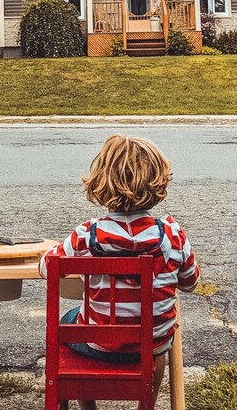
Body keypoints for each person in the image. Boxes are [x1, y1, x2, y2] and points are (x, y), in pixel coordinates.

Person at [39, 134, 200, 410]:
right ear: (157, 182)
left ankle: (88, 406)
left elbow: (46, 267)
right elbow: (190, 283)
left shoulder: (87, 235)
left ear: (102, 181)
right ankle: (144, 404)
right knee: (158, 340)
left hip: (98, 343)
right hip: (151, 345)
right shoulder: (174, 236)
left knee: (71, 322)